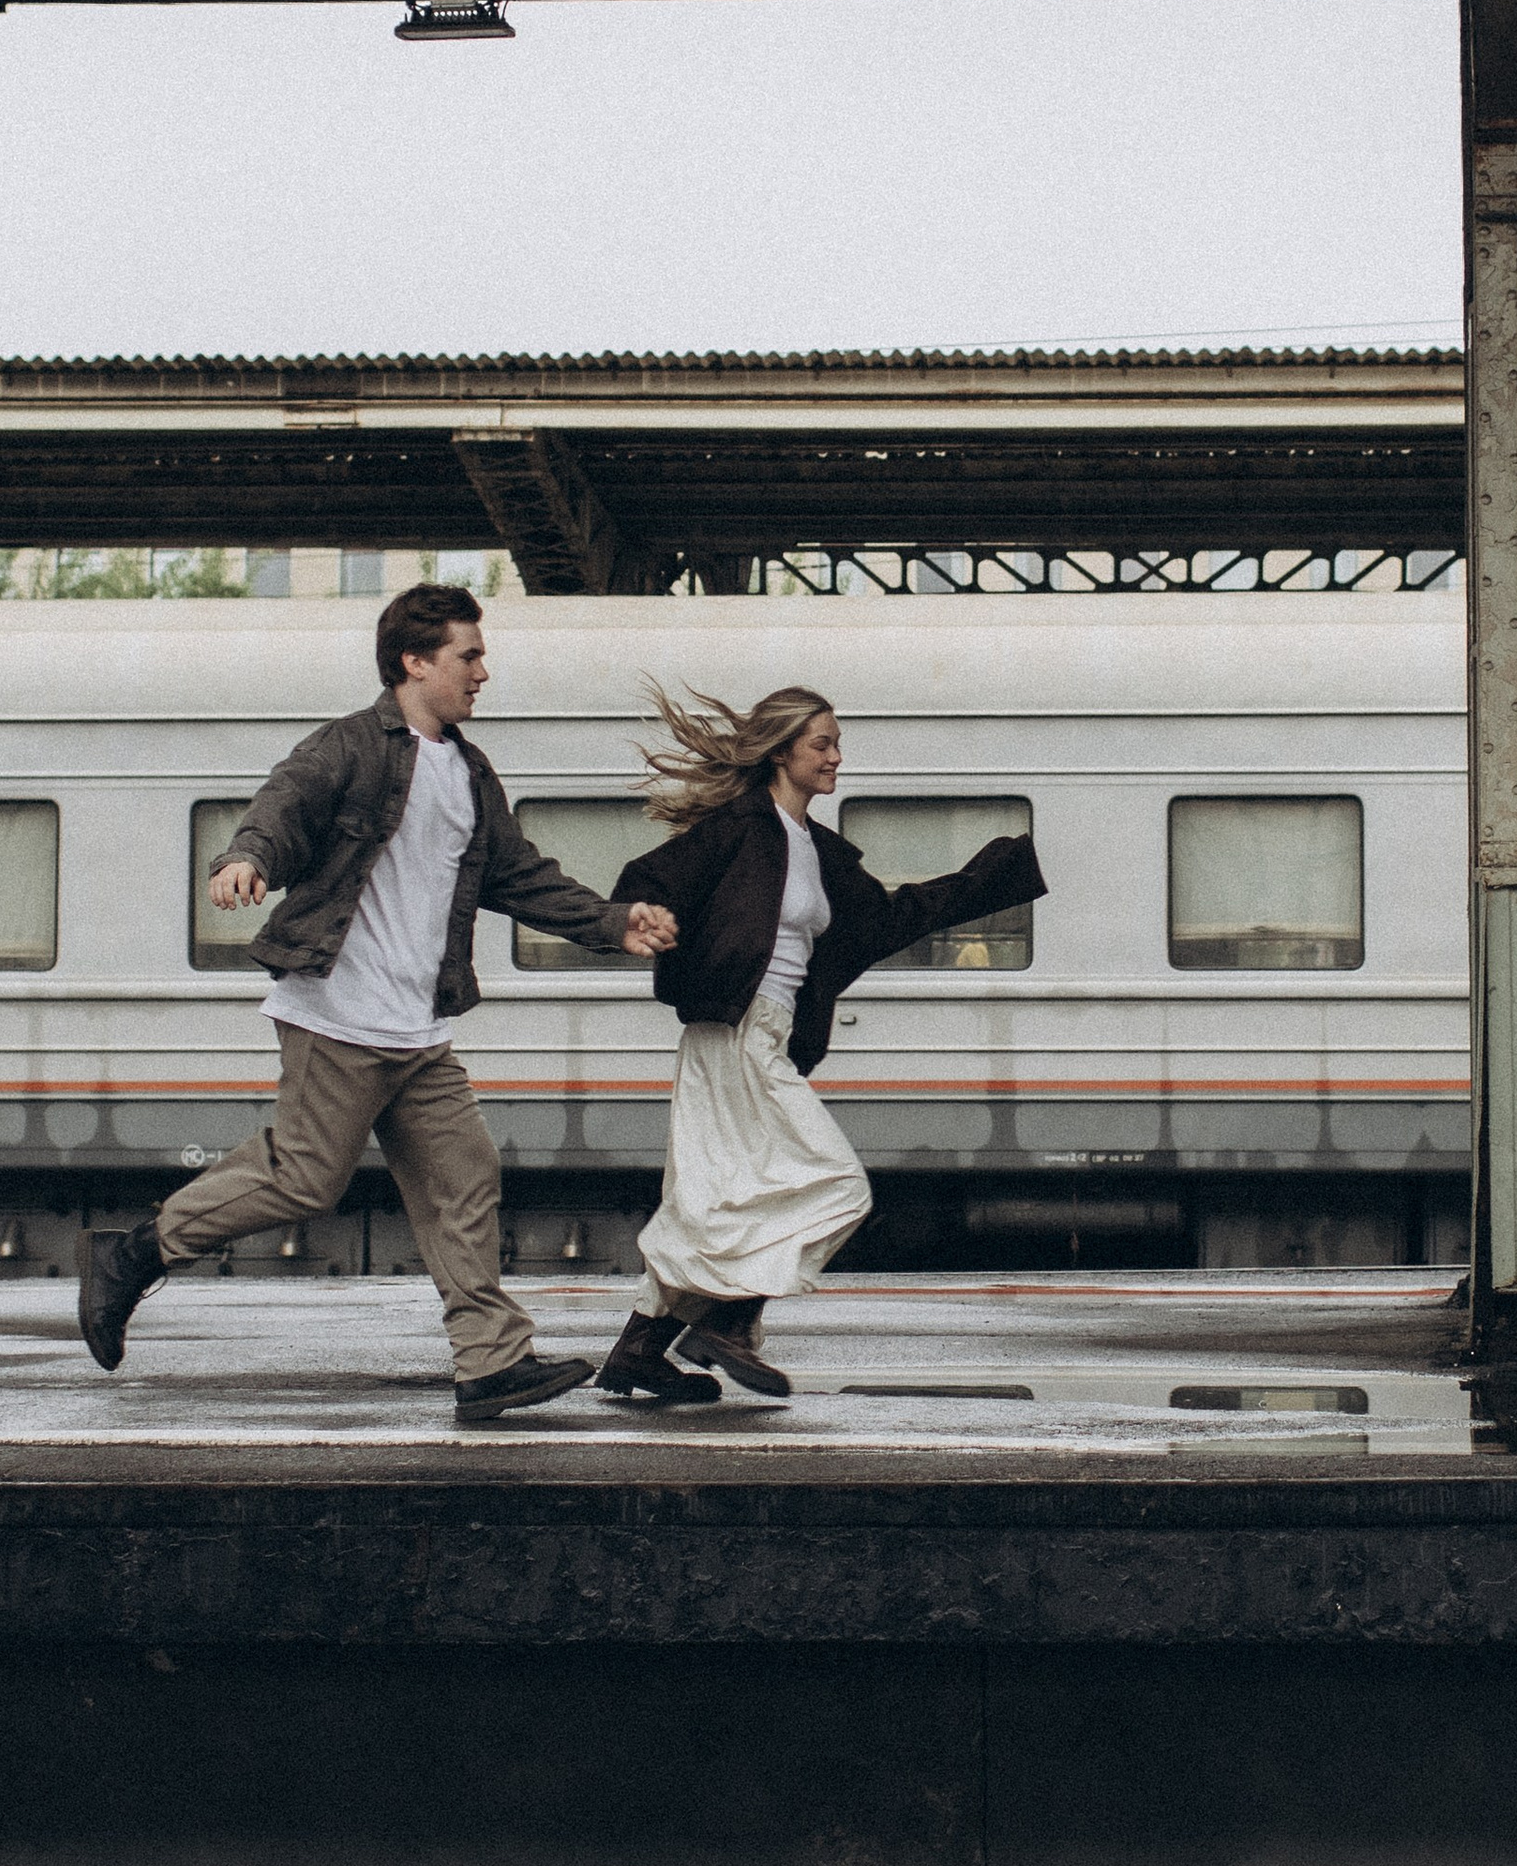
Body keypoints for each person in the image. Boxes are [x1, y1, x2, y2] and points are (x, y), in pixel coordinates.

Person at [77, 582, 679, 1424]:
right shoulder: (350, 748)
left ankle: (490, 1364)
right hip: (338, 1011)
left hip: (417, 1025)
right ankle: (136, 1251)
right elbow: (279, 810)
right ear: (415, 661)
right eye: (469, 656)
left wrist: (615, 925)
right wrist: (245, 858)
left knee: (463, 1178)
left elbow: (518, 876)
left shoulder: (469, 772)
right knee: (305, 1179)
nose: (483, 673)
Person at [593, 684, 1043, 1406]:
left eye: (836, 741)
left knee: (712, 1200)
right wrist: (657, 928)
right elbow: (646, 883)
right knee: (837, 1186)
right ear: (780, 751)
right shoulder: (739, 828)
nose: (837, 756)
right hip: (732, 1030)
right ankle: (730, 1323)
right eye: (822, 743)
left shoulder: (816, 850)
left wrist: (996, 877)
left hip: (760, 1036)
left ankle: (639, 1352)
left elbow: (892, 917)